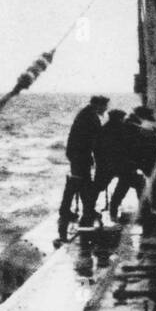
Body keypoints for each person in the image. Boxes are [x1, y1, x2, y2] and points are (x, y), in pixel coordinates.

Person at [58, 95, 108, 240]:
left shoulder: (86, 113)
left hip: (79, 154)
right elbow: (99, 137)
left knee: (83, 183)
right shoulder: (90, 117)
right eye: (104, 106)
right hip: (79, 155)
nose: (105, 109)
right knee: (77, 182)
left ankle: (85, 210)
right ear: (98, 105)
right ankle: (66, 210)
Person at [94, 109, 144, 222]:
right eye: (122, 119)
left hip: (110, 165)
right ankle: (145, 212)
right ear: (118, 119)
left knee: (124, 185)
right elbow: (126, 146)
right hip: (119, 164)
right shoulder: (118, 129)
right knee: (136, 184)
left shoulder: (106, 129)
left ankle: (112, 209)